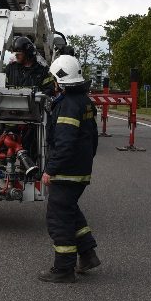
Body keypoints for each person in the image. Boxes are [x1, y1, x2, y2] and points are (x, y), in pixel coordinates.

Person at [39, 55, 100, 283]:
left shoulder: (67, 105)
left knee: (58, 218)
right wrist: (86, 160)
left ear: (60, 79)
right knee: (70, 211)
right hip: (80, 169)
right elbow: (92, 138)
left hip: (66, 172)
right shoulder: (84, 101)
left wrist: (50, 170)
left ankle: (63, 269)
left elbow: (64, 143)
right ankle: (88, 255)